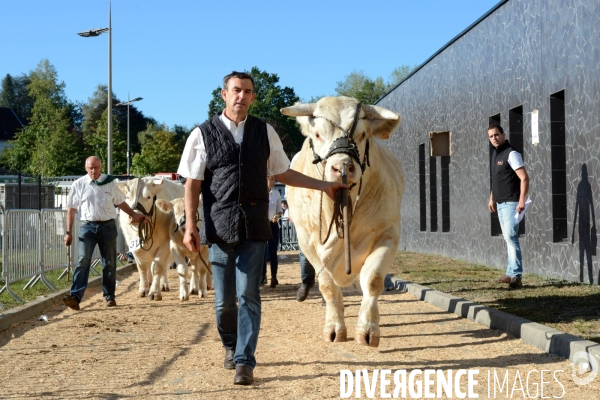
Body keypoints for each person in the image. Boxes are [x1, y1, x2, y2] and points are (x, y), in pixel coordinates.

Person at [177, 71, 346, 386]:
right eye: (236, 90)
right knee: (224, 302)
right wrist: (190, 224)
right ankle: (230, 344)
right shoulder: (202, 134)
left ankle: (245, 361)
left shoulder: (265, 132)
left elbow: (284, 173)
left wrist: (324, 186)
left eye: (248, 91)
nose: (242, 96)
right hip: (219, 228)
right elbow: (193, 184)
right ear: (224, 94)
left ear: (253, 97)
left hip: (255, 227)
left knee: (249, 295)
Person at [63, 156, 145, 310]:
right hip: (87, 227)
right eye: (90, 168)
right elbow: (71, 209)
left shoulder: (110, 182)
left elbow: (120, 201)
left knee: (109, 262)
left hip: (107, 227)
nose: (93, 171)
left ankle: (109, 296)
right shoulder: (78, 185)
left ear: (100, 167)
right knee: (83, 261)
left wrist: (134, 215)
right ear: (86, 168)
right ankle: (75, 296)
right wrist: (68, 232)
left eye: (96, 168)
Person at [488, 124, 529, 289]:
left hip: (512, 202)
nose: (494, 138)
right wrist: (492, 198)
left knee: (512, 237)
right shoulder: (496, 154)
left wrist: (521, 201)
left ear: (503, 134)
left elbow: (524, 178)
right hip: (500, 203)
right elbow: (496, 180)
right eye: (491, 136)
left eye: (496, 135)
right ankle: (510, 272)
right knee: (508, 238)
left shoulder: (511, 154)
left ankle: (516, 276)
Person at [261, 175, 282, 288]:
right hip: (262, 225)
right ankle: (263, 276)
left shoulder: (277, 194)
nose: (274, 181)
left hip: (273, 224)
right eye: (271, 179)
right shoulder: (259, 193)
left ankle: (274, 277)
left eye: (274, 179)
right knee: (262, 252)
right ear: (266, 180)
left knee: (273, 252)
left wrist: (276, 216)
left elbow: (279, 210)